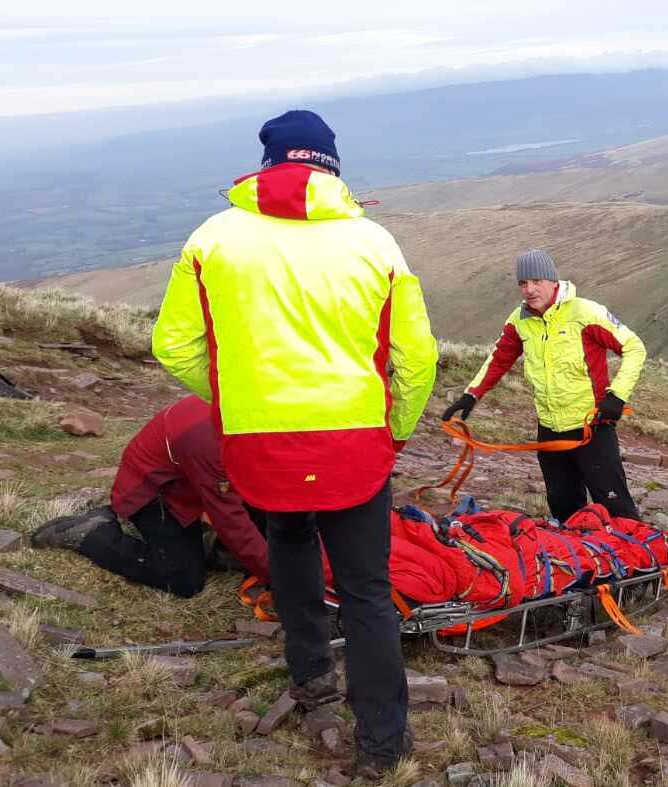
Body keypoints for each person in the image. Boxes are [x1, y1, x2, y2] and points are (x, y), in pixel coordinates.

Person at [151, 110, 438, 776]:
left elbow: (172, 342)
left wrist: (235, 401)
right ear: (332, 168)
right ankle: (382, 743)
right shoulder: (375, 244)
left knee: (288, 548)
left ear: (269, 163)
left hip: (260, 445)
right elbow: (416, 357)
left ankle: (311, 681)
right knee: (367, 591)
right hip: (354, 446)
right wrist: (396, 428)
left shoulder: (212, 238)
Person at [442, 250, 646, 522]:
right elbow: (499, 359)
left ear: (553, 281)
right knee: (564, 508)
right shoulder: (520, 320)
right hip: (549, 430)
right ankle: (580, 561)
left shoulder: (585, 312)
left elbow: (634, 347)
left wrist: (617, 397)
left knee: (616, 510)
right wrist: (471, 395)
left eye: (536, 281)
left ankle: (636, 561)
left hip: (592, 426)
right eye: (523, 284)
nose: (529, 290)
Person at [31, 395, 268, 596]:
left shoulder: (255, 411)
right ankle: (91, 533)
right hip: (153, 491)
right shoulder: (208, 441)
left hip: (192, 481)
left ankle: (220, 550)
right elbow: (229, 518)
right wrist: (283, 580)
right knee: (183, 579)